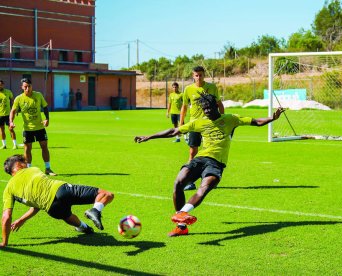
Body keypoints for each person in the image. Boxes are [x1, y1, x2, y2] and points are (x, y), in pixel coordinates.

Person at [135, 93, 285, 237]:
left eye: (209, 108)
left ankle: (182, 213)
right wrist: (149, 136)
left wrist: (273, 117)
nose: (206, 111)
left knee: (204, 188)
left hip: (216, 163)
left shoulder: (230, 119)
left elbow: (256, 122)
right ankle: (181, 226)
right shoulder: (199, 122)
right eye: (204, 108)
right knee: (178, 183)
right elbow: (174, 131)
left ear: (216, 106)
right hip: (200, 159)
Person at [1, 154, 114, 247]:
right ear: (19, 164)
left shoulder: (8, 189)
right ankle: (95, 210)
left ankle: (84, 227)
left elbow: (7, 217)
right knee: (106, 194)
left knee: (67, 216)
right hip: (61, 191)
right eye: (24, 162)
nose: (26, 164)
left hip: (52, 209)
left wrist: (5, 241)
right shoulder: (32, 169)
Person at [180, 66, 225, 190]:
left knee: (210, 152)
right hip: (195, 124)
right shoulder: (188, 89)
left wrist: (222, 119)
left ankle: (209, 179)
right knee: (192, 151)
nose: (199, 77)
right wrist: (181, 123)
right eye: (196, 75)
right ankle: (189, 181)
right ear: (193, 76)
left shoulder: (212, 87)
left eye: (200, 75)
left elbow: (219, 104)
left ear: (204, 75)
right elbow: (184, 107)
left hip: (210, 124)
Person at [9, 78, 57, 176]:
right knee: (27, 149)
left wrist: (47, 119)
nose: (27, 89)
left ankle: (48, 168)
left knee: (44, 147)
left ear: (32, 86)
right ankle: (29, 170)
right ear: (22, 87)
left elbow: (45, 107)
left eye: (29, 86)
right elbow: (13, 111)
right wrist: (11, 122)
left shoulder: (38, 95)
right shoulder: (19, 98)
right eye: (25, 87)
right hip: (27, 129)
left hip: (40, 127)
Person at [0, 80, 17, 150]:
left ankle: (15, 145)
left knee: (11, 129)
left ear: (3, 85)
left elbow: (13, 101)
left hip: (8, 114)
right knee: (1, 130)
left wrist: (15, 110)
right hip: (0, 115)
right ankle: (4, 145)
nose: (0, 86)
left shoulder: (8, 92)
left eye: (1, 84)